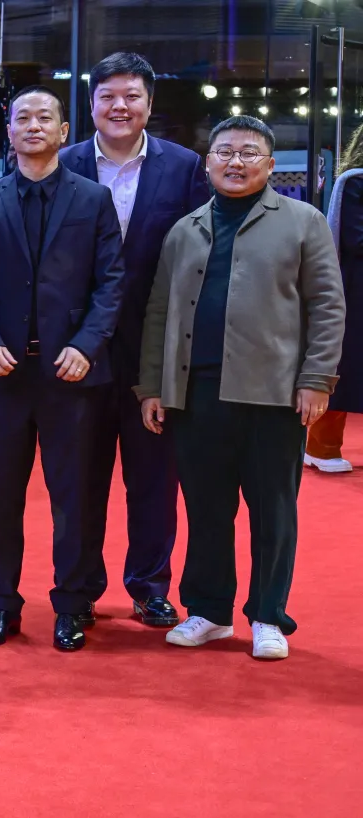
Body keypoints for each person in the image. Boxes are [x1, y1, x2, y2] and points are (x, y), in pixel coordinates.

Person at [137, 116, 345, 660]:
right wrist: (152, 386)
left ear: (271, 166)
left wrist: (317, 378)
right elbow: (158, 310)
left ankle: (268, 615)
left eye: (249, 153)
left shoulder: (304, 222)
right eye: (224, 152)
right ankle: (208, 610)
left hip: (273, 393)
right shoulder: (185, 229)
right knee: (206, 507)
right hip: (196, 392)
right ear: (207, 165)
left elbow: (328, 306)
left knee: (273, 510)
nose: (235, 162)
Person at [0, 85, 126, 652]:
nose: (33, 125)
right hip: (3, 377)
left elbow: (111, 283)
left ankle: (72, 606)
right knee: (2, 497)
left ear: (62, 130)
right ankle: (3, 605)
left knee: (71, 498)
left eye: (44, 117)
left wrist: (87, 344)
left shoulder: (92, 198)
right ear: (9, 131)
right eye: (22, 117)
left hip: (70, 376)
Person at [59, 52, 209, 628]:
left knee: (153, 477)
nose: (120, 107)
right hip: (80, 351)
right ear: (91, 104)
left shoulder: (185, 167)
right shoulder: (64, 164)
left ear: (149, 104)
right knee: (82, 478)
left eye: (132, 96)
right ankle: (83, 589)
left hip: (157, 349)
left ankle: (149, 585)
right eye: (108, 96)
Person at [308, 122, 363, 473]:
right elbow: (355, 239)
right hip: (357, 292)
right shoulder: (355, 181)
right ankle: (320, 447)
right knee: (345, 368)